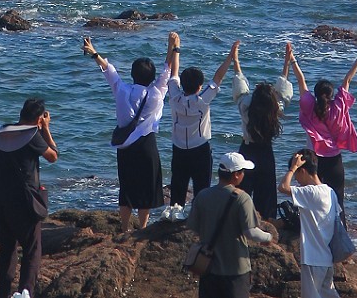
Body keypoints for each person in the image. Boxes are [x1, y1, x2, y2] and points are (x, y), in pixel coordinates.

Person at [82, 31, 176, 231]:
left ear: (132, 74)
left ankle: (124, 228)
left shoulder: (122, 90)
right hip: (147, 146)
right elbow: (167, 71)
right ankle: (142, 228)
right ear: (151, 77)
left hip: (124, 147)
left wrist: (93, 52)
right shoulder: (156, 93)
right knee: (146, 188)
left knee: (126, 188)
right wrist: (172, 47)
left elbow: (108, 69)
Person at [0, 97, 58, 298]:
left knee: (7, 248)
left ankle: (4, 292)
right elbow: (53, 155)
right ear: (39, 118)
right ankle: (25, 291)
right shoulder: (32, 136)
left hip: (1, 198)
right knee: (31, 249)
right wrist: (45, 129)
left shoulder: (5, 132)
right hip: (24, 200)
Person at [290, 41, 357, 217]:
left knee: (313, 202)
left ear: (316, 94)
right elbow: (347, 80)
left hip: (314, 161)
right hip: (335, 162)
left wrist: (292, 59)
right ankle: (341, 240)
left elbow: (301, 81)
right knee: (338, 204)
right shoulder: (339, 106)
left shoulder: (310, 106)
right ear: (331, 95)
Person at [165, 40, 237, 220]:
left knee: (178, 183)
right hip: (200, 149)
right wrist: (230, 57)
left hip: (179, 148)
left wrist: (176, 49)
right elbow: (218, 78)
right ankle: (200, 215)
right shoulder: (202, 100)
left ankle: (175, 211)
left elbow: (173, 73)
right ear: (199, 87)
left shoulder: (174, 97)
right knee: (202, 186)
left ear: (183, 84)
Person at [186, 151, 272, 298]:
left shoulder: (202, 195)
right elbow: (251, 232)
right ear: (236, 175)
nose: (244, 174)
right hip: (235, 269)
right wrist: (268, 237)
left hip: (208, 267)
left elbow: (193, 227)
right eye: (242, 171)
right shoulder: (242, 198)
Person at [232, 42, 294, 219]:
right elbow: (283, 92)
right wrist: (286, 63)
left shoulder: (245, 107)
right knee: (266, 195)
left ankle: (239, 222)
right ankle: (267, 224)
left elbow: (240, 89)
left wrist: (235, 60)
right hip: (266, 152)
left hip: (247, 150)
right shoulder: (275, 110)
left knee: (242, 191)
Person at [279, 149, 339, 298]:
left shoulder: (310, 192)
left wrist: (292, 168)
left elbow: (283, 187)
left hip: (313, 257)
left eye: (297, 175)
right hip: (327, 256)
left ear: (303, 171)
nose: (296, 180)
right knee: (328, 294)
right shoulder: (330, 191)